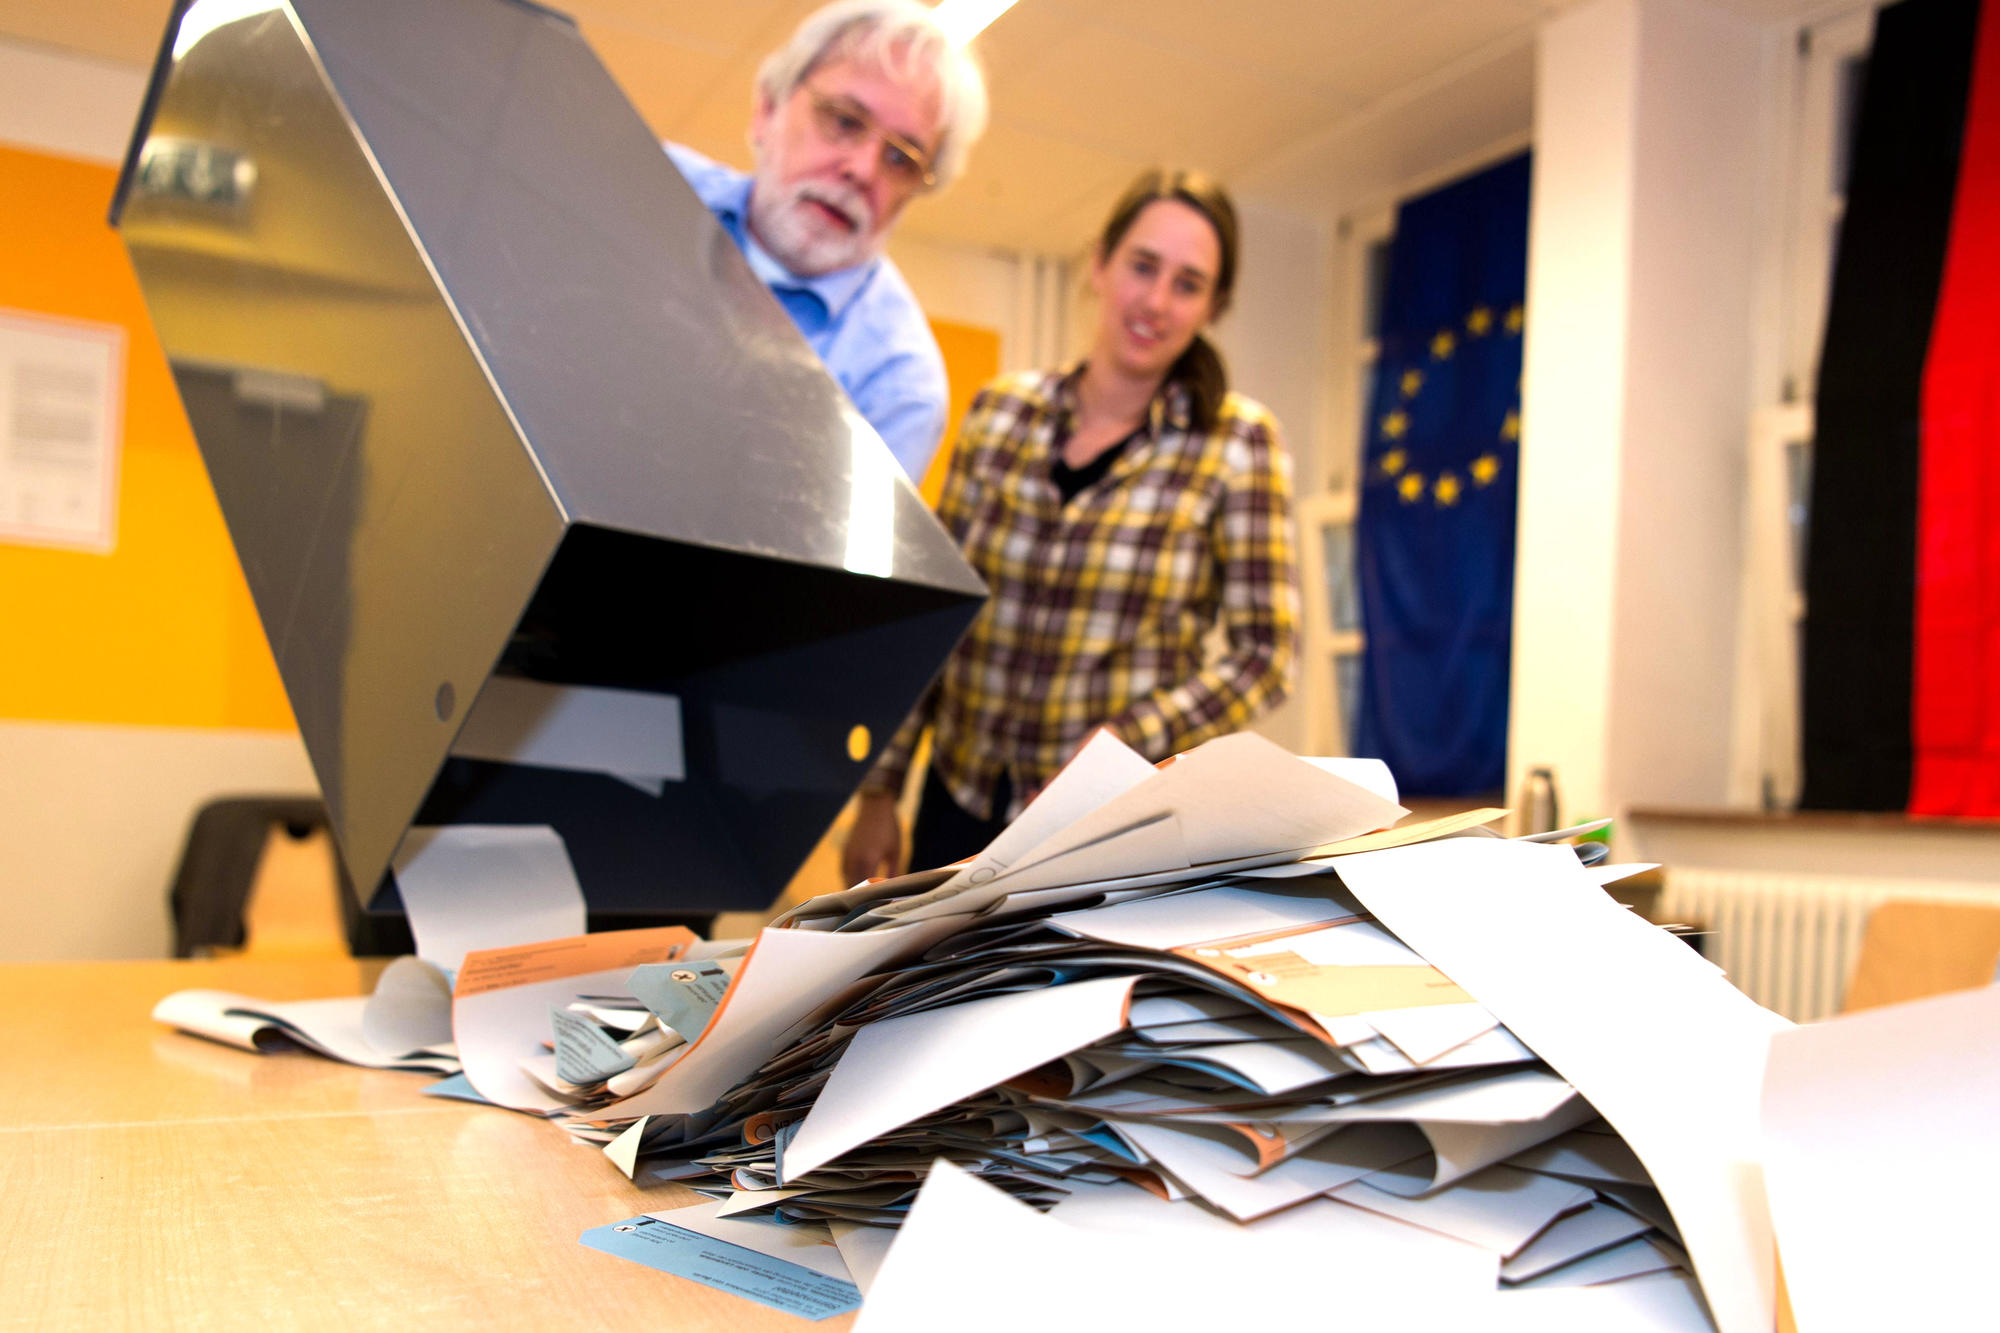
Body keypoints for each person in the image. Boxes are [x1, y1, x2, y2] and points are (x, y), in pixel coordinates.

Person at [842, 168, 1300, 882]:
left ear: (1214, 306)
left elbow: (1264, 654)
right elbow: (938, 616)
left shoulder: (1237, 442)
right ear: (1099, 263)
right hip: (957, 797)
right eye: (1142, 266)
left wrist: (1127, 737)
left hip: (1108, 817)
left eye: (1187, 283)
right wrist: (880, 788)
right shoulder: (1001, 413)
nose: (1155, 300)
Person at [664, 0, 987, 483]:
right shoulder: (646, 187)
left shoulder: (897, 384)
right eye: (844, 120)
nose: (861, 169)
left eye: (901, 159)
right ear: (766, 110)